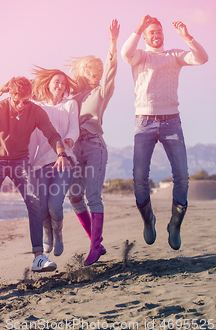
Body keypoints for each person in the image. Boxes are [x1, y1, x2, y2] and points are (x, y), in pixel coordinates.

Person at [121, 15, 208, 250]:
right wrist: (139, 26)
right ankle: (148, 220)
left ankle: (175, 225)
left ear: (163, 34)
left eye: (159, 30)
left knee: (182, 176)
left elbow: (202, 58)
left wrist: (187, 37)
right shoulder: (140, 55)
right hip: (144, 122)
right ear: (146, 36)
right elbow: (125, 53)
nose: (156, 34)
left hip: (172, 122)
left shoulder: (175, 55)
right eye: (151, 31)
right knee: (139, 178)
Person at [0, 76, 70, 274]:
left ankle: (38, 257)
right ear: (10, 95)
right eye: (17, 101)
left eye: (25, 101)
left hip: (20, 161)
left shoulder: (35, 111)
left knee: (34, 200)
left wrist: (61, 153)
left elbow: (52, 134)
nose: (21, 105)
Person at [66, 19, 120, 266]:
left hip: (94, 146)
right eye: (90, 69)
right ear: (82, 71)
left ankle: (94, 247)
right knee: (74, 196)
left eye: (98, 69)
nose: (95, 72)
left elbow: (111, 70)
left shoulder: (101, 92)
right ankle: (96, 243)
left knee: (92, 196)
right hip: (74, 149)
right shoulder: (73, 96)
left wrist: (112, 42)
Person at [28, 68, 79, 257]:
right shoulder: (37, 107)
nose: (60, 85)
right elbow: (33, 138)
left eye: (63, 83)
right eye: (56, 82)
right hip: (41, 163)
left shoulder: (70, 104)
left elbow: (74, 127)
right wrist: (28, 163)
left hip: (64, 160)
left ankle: (57, 233)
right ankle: (47, 232)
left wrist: (70, 140)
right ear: (48, 84)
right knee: (41, 206)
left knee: (55, 204)